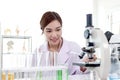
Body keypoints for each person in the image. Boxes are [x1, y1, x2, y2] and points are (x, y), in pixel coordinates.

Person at [32, 11, 95, 75]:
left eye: (58, 30)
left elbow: (84, 73)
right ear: (43, 31)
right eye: (49, 31)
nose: (54, 35)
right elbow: (32, 76)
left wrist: (85, 68)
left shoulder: (74, 47)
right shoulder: (37, 52)